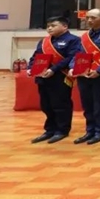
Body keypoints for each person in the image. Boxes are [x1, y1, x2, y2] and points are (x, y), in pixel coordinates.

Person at [27, 16, 81, 144]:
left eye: (53, 25)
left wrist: (53, 69)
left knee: (60, 105)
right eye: (48, 26)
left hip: (60, 76)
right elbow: (36, 56)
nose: (49, 28)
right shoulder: (44, 41)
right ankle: (50, 129)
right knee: (46, 105)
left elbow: (70, 58)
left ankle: (62, 130)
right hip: (42, 76)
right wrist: (30, 68)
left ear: (64, 26)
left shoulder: (73, 40)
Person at [71, 9, 100, 145]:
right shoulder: (85, 36)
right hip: (83, 74)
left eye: (93, 17)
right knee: (87, 104)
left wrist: (99, 70)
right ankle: (90, 130)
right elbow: (77, 54)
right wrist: (73, 67)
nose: (89, 20)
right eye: (87, 18)